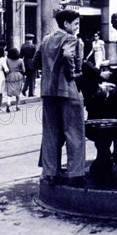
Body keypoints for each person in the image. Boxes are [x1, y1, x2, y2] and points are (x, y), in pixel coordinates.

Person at [32, 10, 86, 187]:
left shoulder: (46, 39)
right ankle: (75, 173)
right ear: (66, 24)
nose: (77, 28)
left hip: (48, 91)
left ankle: (50, 172)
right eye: (75, 24)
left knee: (50, 133)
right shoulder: (70, 38)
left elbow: (35, 61)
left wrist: (48, 71)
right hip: (67, 90)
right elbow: (67, 55)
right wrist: (72, 73)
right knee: (74, 132)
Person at [5, 47, 25, 113]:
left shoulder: (7, 60)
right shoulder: (20, 60)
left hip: (10, 75)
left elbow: (5, 69)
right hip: (18, 76)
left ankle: (8, 103)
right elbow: (23, 70)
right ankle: (17, 106)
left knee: (9, 92)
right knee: (18, 92)